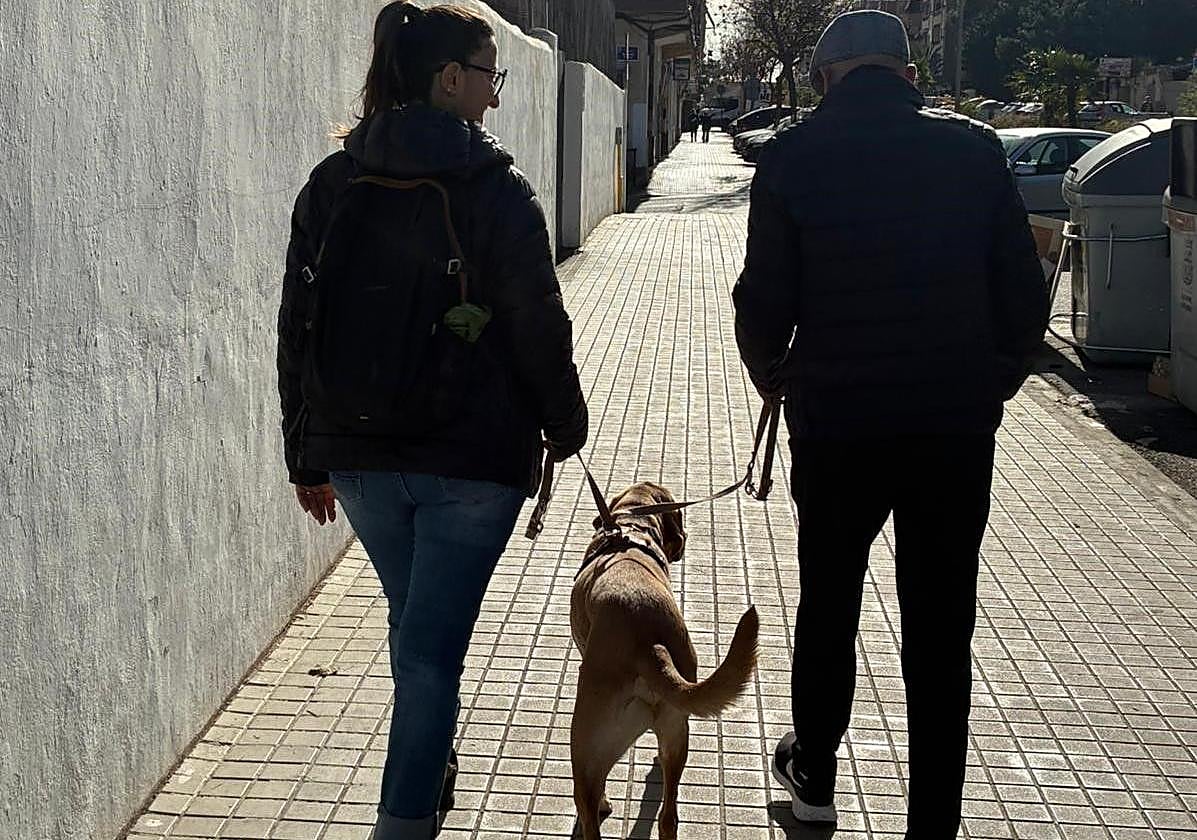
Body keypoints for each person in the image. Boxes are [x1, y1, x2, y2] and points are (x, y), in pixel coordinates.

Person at [733, 10, 1048, 840]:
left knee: (828, 602)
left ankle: (813, 776)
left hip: (836, 424)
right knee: (941, 624)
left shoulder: (793, 155)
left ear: (824, 78)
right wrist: (988, 386)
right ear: (909, 75)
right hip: (950, 428)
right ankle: (931, 823)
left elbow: (762, 300)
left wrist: (775, 375)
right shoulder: (974, 150)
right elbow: (1025, 298)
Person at [276, 4, 588, 839]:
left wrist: (304, 455)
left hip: (358, 456)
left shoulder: (331, 184)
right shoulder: (497, 190)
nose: (495, 96)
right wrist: (566, 425)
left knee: (414, 625)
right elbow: (536, 324)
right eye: (489, 75)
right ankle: (405, 820)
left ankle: (429, 756)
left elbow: (295, 328)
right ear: (450, 79)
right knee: (429, 651)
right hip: (471, 461)